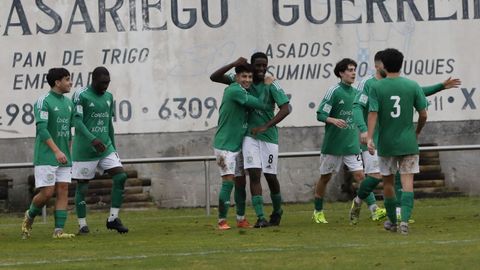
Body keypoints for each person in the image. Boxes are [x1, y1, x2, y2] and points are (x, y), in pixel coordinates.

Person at [353, 50, 461, 224]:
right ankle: (360, 200)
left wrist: (440, 86)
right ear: (377, 66)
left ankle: (395, 215)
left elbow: (416, 92)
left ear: (384, 66)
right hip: (379, 137)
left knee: (392, 178)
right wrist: (364, 130)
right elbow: (358, 106)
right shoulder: (368, 84)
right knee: (376, 176)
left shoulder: (393, 85)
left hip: (386, 140)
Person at [210, 52, 291, 228]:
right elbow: (214, 77)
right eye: (258, 66)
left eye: (264, 65)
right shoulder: (238, 83)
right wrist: (233, 63)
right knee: (253, 174)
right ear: (251, 67)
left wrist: (266, 126)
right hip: (247, 137)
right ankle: (258, 217)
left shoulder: (271, 84)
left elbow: (286, 108)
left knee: (269, 176)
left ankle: (275, 212)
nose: (261, 69)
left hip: (268, 137)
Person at [367, 48, 428, 235]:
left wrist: (369, 137)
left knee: (388, 183)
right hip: (408, 142)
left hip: (387, 143)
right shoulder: (412, 85)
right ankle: (405, 222)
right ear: (402, 64)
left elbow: (373, 113)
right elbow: (424, 114)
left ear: (383, 66)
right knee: (407, 182)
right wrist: (416, 131)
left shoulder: (376, 87)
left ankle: (392, 222)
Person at [71, 66, 128, 234]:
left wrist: (114, 148)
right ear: (93, 80)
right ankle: (82, 224)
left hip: (105, 147)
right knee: (82, 187)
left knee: (121, 176)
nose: (105, 86)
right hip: (85, 150)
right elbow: (77, 122)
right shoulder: (81, 95)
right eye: (102, 83)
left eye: (108, 83)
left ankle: (112, 219)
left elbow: (109, 124)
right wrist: (93, 139)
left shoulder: (109, 97)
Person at [213, 63, 270, 230]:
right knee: (228, 183)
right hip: (225, 146)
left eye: (250, 77)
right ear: (236, 77)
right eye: (243, 76)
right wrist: (266, 85)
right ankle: (222, 221)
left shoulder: (240, 88)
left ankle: (241, 219)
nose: (247, 80)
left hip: (236, 145)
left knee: (239, 183)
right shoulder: (235, 90)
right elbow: (260, 103)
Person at [22, 68, 75, 239]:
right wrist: (56, 150)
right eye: (67, 79)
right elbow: (42, 130)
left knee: (63, 190)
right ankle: (29, 216)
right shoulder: (43, 101)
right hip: (46, 155)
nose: (70, 83)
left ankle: (58, 231)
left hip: (64, 156)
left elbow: (68, 131)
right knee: (47, 193)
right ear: (57, 82)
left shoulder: (68, 103)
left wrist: (68, 150)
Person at [312, 58, 365, 224]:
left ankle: (373, 209)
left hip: (351, 144)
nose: (353, 73)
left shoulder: (357, 93)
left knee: (361, 177)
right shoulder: (334, 91)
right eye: (349, 70)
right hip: (333, 145)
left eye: (354, 70)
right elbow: (320, 114)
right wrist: (333, 120)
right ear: (341, 73)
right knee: (325, 177)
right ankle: (318, 211)